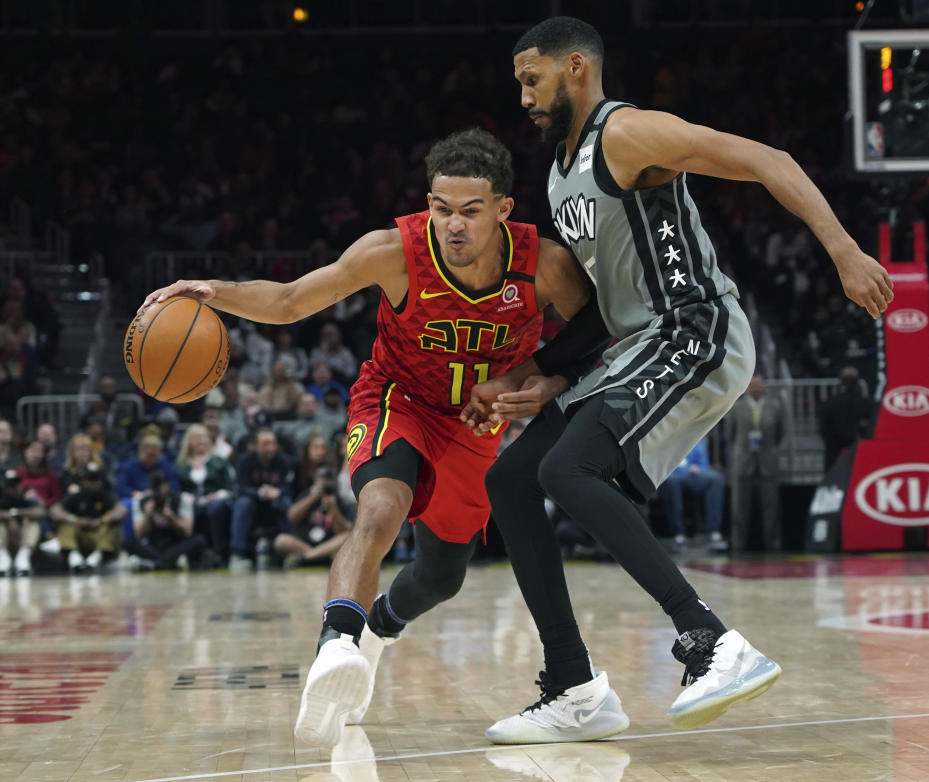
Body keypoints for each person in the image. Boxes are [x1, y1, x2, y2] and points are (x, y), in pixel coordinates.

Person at [461, 17, 893, 740]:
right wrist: (539, 373)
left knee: (571, 469)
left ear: (575, 68)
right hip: (640, 343)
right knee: (511, 479)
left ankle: (711, 641)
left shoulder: (628, 134)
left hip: (698, 328)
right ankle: (574, 688)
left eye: (532, 79)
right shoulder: (560, 171)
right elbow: (603, 308)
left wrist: (844, 252)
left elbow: (769, 159)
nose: (525, 96)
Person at [139, 127, 595, 748]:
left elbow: (594, 333)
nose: (452, 225)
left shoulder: (543, 264)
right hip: (395, 399)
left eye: (470, 211)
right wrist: (214, 293)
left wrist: (534, 377)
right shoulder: (394, 250)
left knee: (441, 577)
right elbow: (293, 299)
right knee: (380, 510)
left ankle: (378, 628)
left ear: (504, 211)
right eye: (440, 208)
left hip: (473, 425)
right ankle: (336, 647)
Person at [727, 375, 786, 552]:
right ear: (746, 388)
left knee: (771, 505)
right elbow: (731, 434)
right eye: (752, 386)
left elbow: (779, 434)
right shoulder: (736, 408)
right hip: (743, 460)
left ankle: (772, 543)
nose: (756, 389)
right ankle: (738, 544)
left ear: (764, 388)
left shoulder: (775, 407)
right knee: (739, 506)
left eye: (759, 386)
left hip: (767, 460)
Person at [229, 427, 294, 570]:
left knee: (286, 502)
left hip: (275, 503)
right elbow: (241, 488)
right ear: (254, 446)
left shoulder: (284, 461)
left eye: (273, 444)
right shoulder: (244, 461)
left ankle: (290, 552)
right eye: (265, 444)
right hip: (253, 503)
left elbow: (289, 487)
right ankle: (238, 553)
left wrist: (278, 492)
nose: (270, 448)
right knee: (242, 503)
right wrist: (260, 492)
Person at [49, 462, 125, 573]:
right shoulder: (74, 496)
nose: (93, 483)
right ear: (82, 480)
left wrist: (101, 521)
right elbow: (54, 510)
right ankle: (74, 558)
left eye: (96, 479)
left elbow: (121, 511)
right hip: (79, 537)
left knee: (113, 524)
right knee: (65, 523)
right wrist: (75, 520)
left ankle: (96, 558)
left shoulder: (106, 495)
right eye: (89, 479)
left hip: (98, 536)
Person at [176, 424, 236, 566]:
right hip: (190, 503)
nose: (200, 441)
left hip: (216, 501)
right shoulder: (181, 465)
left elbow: (230, 487)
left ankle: (219, 552)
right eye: (196, 438)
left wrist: (216, 496)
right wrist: (187, 497)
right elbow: (176, 489)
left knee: (215, 509)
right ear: (189, 441)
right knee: (185, 510)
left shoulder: (219, 461)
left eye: (203, 437)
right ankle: (188, 555)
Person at [126, 470, 206, 571]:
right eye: (155, 489)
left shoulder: (181, 499)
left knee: (199, 541)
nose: (158, 493)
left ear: (167, 485)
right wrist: (147, 516)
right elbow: (139, 534)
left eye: (160, 488)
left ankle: (152, 564)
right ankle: (168, 563)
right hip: (153, 545)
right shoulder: (142, 501)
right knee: (127, 542)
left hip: (174, 544)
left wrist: (171, 518)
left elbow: (187, 531)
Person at [658, 439, 728, 551]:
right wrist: (686, 469)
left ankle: (713, 532)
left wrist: (698, 469)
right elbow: (664, 463)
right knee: (672, 483)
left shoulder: (695, 437)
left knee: (716, 479)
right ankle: (678, 534)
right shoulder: (668, 437)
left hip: (693, 475)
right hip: (673, 474)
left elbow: (703, 463)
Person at [818, 366, 873, 472]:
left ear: (841, 381)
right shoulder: (866, 403)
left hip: (834, 450)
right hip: (858, 449)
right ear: (857, 381)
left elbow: (823, 429)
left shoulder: (829, 404)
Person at [0, 468, 45, 576]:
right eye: (10, 485)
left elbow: (41, 512)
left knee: (33, 523)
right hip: (6, 542)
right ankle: (2, 558)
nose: (14, 488)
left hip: (22, 541)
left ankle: (23, 558)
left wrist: (14, 514)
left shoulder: (26, 499)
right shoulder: (2, 500)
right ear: (4, 487)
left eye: (16, 484)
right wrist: (9, 521)